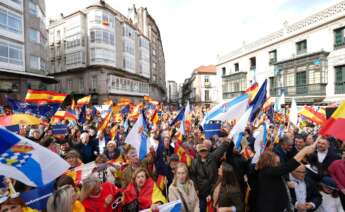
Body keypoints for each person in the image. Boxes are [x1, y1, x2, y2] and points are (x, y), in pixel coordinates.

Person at [255, 142, 317, 212]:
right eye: (277, 163)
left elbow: (273, 183)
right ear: (269, 162)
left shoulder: (267, 172)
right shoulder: (268, 171)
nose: (279, 164)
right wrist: (304, 151)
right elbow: (288, 166)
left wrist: (286, 184)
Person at [191, 140, 230, 212]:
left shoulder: (213, 157)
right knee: (202, 208)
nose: (203, 152)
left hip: (213, 188)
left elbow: (220, 149)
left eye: (204, 150)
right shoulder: (195, 162)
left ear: (207, 150)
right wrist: (196, 188)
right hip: (201, 190)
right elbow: (193, 175)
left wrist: (227, 142)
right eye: (201, 151)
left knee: (213, 208)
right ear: (198, 152)